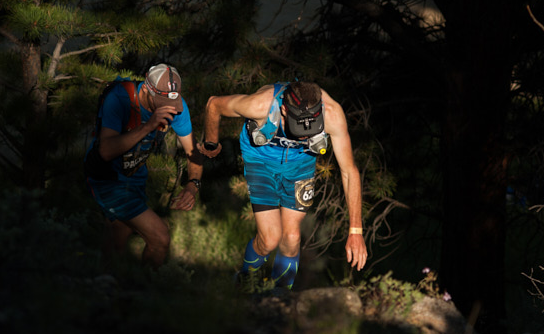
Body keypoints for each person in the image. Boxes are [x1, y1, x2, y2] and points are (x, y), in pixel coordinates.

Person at [198, 80, 367, 288]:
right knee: (269, 239)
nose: (305, 134)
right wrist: (211, 144)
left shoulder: (332, 114)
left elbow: (349, 171)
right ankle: (244, 282)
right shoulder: (261, 105)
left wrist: (356, 231)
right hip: (260, 159)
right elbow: (213, 104)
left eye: (311, 130)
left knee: (292, 237)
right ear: (284, 110)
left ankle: (279, 296)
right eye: (299, 129)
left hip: (300, 164)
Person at [84, 64, 203, 268]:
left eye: (173, 101)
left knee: (118, 241)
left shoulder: (177, 106)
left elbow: (193, 152)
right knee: (160, 238)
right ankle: (146, 289)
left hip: (135, 175)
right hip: (107, 177)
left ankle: (104, 287)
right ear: (146, 89)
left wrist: (193, 184)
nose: (171, 108)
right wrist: (148, 126)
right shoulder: (120, 98)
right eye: (162, 102)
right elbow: (106, 150)